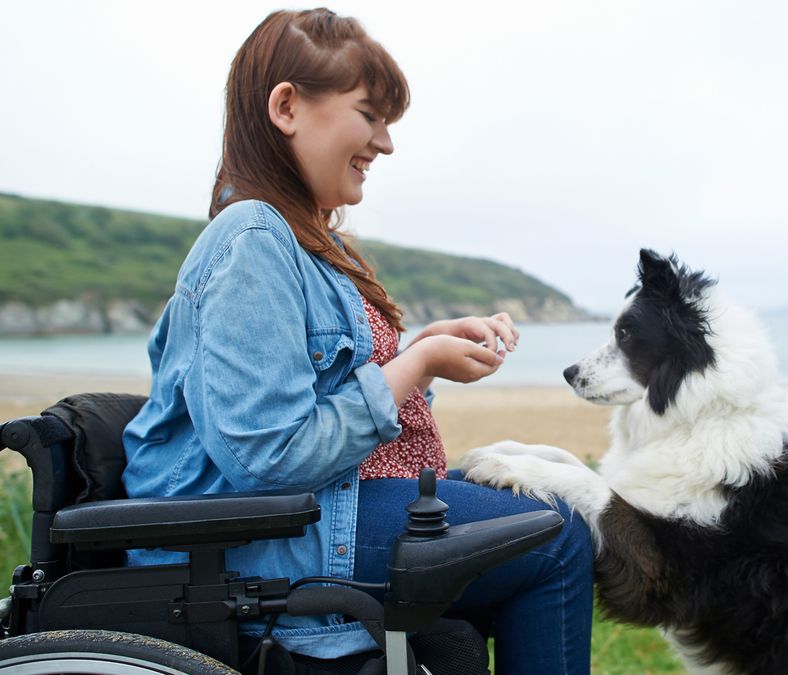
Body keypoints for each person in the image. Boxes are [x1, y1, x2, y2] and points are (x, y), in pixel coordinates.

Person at [121, 8, 593, 673]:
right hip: (261, 543)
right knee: (557, 539)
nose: (386, 143)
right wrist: (417, 361)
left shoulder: (309, 241)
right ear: (287, 106)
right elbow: (273, 454)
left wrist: (421, 348)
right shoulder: (252, 235)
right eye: (370, 115)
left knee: (533, 508)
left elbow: (326, 401)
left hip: (307, 517)